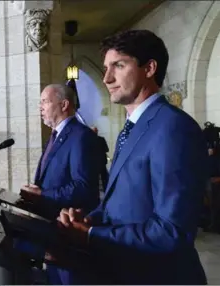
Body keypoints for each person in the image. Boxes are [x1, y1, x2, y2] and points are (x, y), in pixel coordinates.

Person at [57, 30, 208, 284]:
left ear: (149, 68)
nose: (106, 78)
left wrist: (92, 234)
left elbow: (171, 231)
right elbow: (121, 202)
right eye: (105, 67)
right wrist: (88, 219)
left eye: (118, 65)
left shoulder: (172, 127)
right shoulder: (133, 126)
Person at [19, 84, 100, 285]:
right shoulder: (55, 136)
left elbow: (83, 187)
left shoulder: (80, 136)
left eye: (45, 101)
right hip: (52, 234)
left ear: (64, 104)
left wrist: (42, 194)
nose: (40, 107)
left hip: (69, 234)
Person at [90, 126, 109, 192]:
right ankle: (106, 190)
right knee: (104, 178)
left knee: (95, 179)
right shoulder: (101, 139)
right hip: (101, 161)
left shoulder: (89, 141)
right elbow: (107, 149)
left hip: (94, 163)